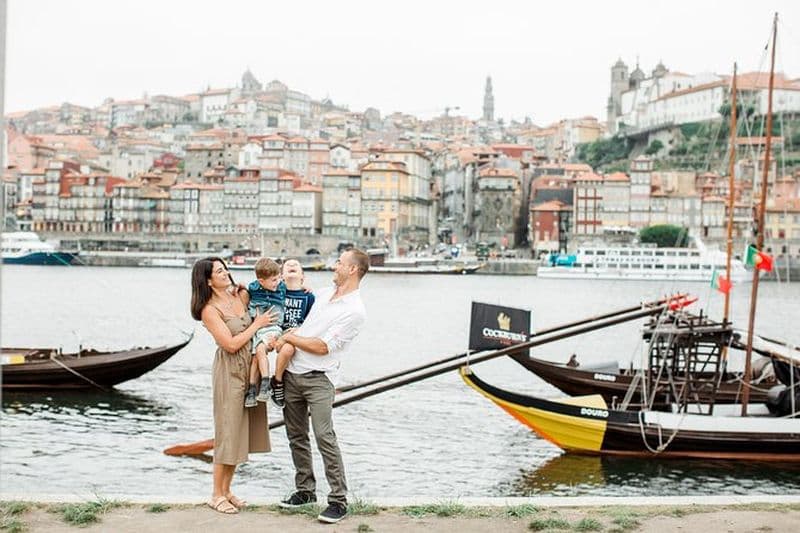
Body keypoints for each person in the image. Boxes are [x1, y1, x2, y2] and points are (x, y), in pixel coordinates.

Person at [275, 248, 369, 524]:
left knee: (324, 436)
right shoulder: (322, 295)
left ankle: (338, 501)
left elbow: (322, 347)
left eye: (339, 262)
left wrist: (289, 338)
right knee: (296, 436)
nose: (334, 266)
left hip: (319, 379)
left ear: (352, 269)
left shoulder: (355, 311)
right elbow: (299, 306)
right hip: (292, 373)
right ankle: (305, 491)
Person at [190, 257, 275, 515]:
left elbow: (269, 287)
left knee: (240, 432)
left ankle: (227, 490)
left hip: (250, 368)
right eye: (219, 271)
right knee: (227, 432)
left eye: (225, 268)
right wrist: (257, 325)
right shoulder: (209, 310)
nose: (226, 272)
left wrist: (299, 288)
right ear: (207, 280)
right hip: (229, 370)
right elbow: (229, 344)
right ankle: (216, 495)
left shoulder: (239, 295)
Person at [269, 258, 316, 408]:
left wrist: (298, 331)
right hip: (277, 331)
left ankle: (277, 381)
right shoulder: (276, 292)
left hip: (296, 333)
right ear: (281, 276)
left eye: (296, 264)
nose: (291, 265)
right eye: (287, 265)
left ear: (303, 276)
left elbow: (312, 321)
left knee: (289, 348)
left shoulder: (309, 297)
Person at [244, 258, 286, 407]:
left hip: (273, 326)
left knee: (260, 351)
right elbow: (242, 292)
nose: (277, 282)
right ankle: (251, 390)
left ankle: (265, 384)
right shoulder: (253, 287)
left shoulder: (282, 286)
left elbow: (295, 286)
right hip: (258, 328)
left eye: (278, 278)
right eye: (273, 280)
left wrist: (305, 286)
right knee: (255, 357)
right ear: (261, 281)